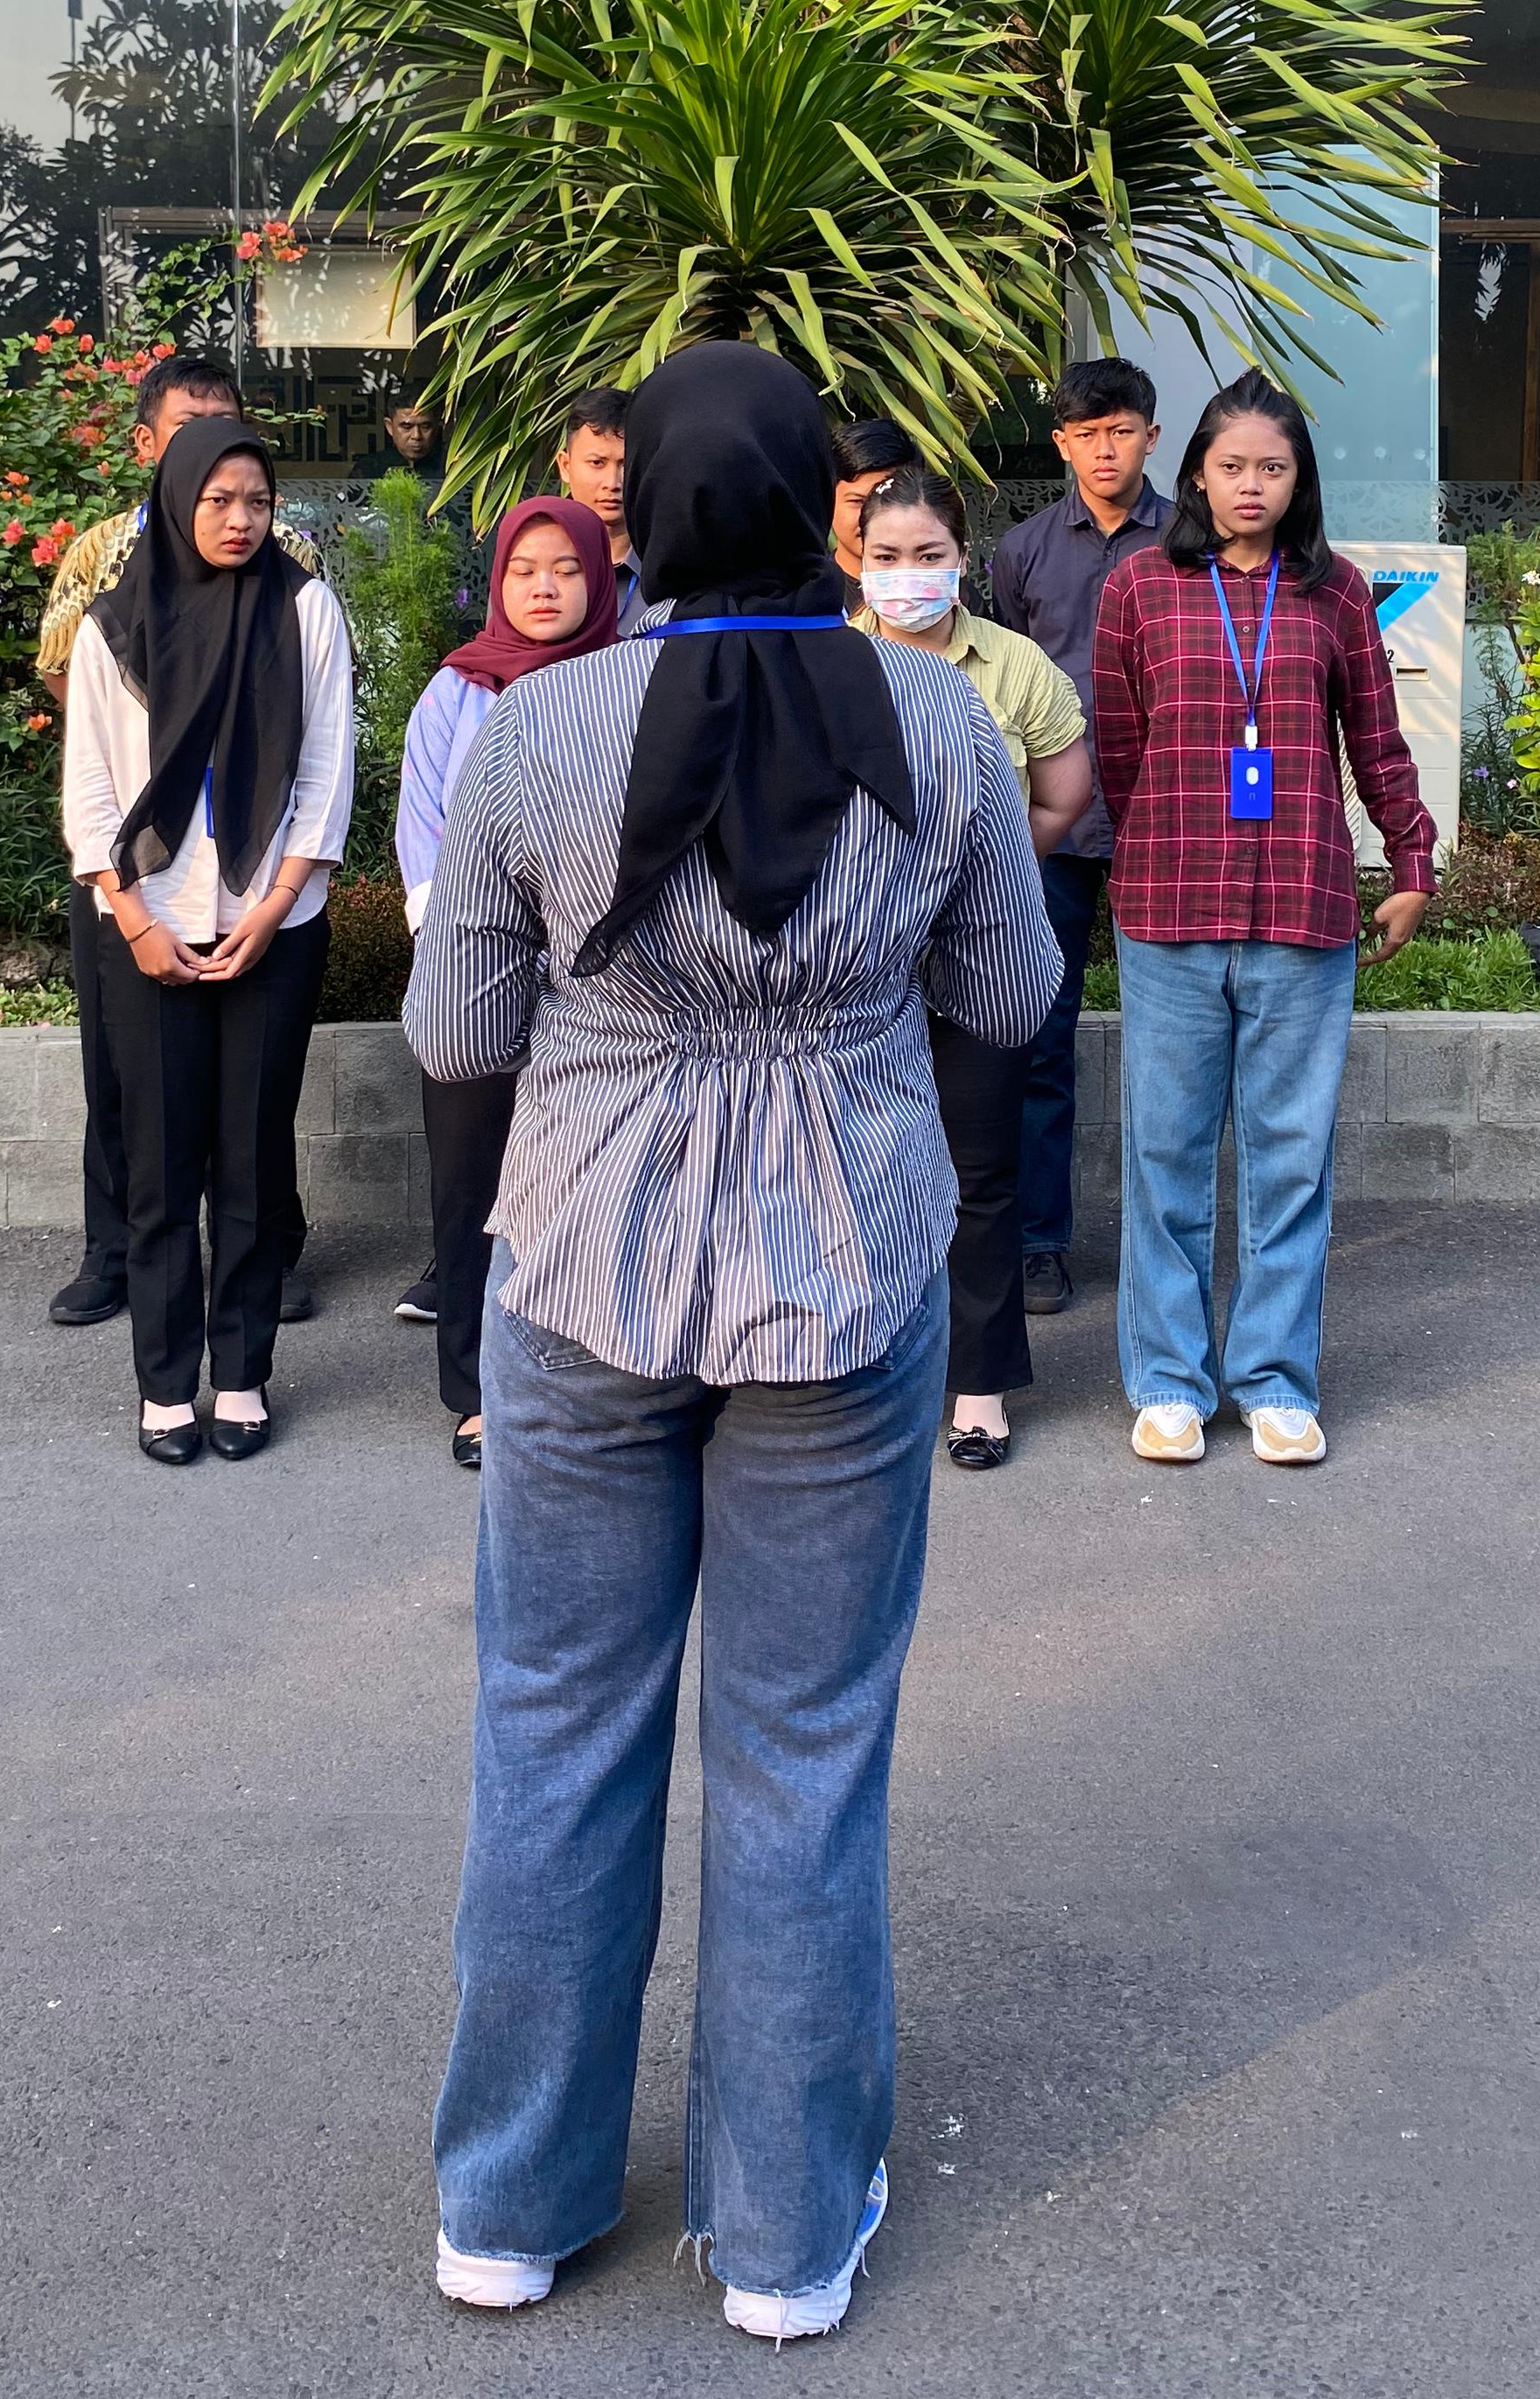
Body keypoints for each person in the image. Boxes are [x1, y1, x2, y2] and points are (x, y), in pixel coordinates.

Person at [409, 343, 1057, 2342]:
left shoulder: (537, 721)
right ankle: (782, 2237)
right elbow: (1013, 995)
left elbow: (455, 1031)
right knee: (802, 1745)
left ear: (647, 516)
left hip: (578, 1260)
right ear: (821, 510)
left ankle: (509, 2205)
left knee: (553, 1720)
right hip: (844, 1263)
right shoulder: (936, 718)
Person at [1090, 373, 1432, 1472]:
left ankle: (1277, 1380)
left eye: (1272, 468)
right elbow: (1119, 749)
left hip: (1301, 906)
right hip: (1170, 911)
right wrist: (1158, 841)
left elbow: (1376, 742)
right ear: (1196, 473)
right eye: (1232, 466)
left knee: (1290, 1159)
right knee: (1166, 1154)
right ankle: (1169, 1382)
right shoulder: (1140, 587)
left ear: (1298, 480)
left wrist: (1410, 859)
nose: (1251, 485)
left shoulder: (1336, 594)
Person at [61, 416, 355, 1466]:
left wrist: (274, 907)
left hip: (275, 927)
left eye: (258, 501)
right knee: (159, 1163)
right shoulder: (112, 626)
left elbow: (324, 768)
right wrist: (135, 919)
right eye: (219, 499)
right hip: (147, 928)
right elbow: (90, 791)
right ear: (178, 498)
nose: (240, 519)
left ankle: (241, 1374)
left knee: (251, 1161)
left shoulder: (306, 608)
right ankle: (163, 1383)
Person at [35, 352, 326, 1334]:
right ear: (148, 444)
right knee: (123, 1072)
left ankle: (263, 1254)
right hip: (130, 854)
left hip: (253, 859)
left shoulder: (293, 559)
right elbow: (71, 682)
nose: (237, 511)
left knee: (253, 1093)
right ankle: (114, 1250)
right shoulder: (102, 556)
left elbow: (313, 705)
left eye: (226, 422)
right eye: (188, 427)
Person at [852, 467, 1091, 1473]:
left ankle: (979, 1385)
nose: (907, 573)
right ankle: (857, 1370)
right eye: (886, 556)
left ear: (963, 560)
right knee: (856, 1166)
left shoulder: (1014, 664)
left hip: (983, 953)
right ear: (855, 562)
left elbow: (1065, 792)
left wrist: (994, 873)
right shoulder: (830, 659)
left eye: (928, 555)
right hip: (856, 962)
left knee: (979, 1170)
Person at [395, 496, 618, 1469]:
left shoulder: (627, 680)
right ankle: (477, 1392)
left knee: (589, 1185)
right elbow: (421, 827)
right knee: (471, 1183)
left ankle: (592, 1377)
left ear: (600, 580)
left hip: (602, 984)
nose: (544, 587)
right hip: (473, 971)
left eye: (566, 569)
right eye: (525, 569)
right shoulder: (456, 690)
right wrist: (458, 943)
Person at [983, 357, 1169, 1318]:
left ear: (1152, 436)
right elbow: (1007, 679)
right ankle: (1039, 1243)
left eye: (1121, 431)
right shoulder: (1020, 552)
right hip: (1051, 826)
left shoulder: (1192, 541)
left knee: (1172, 1044)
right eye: (1087, 434)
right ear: (1061, 443)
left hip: (1163, 820)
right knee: (1041, 1035)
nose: (1105, 450)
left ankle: (1163, 1253)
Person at [551, 385, 647, 629]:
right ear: (565, 466)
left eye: (626, 465)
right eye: (597, 463)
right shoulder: (532, 567)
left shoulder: (668, 572)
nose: (612, 483)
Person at [828, 411, 919, 582]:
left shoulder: (949, 592)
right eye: (857, 501)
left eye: (888, 499)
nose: (871, 516)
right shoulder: (805, 594)